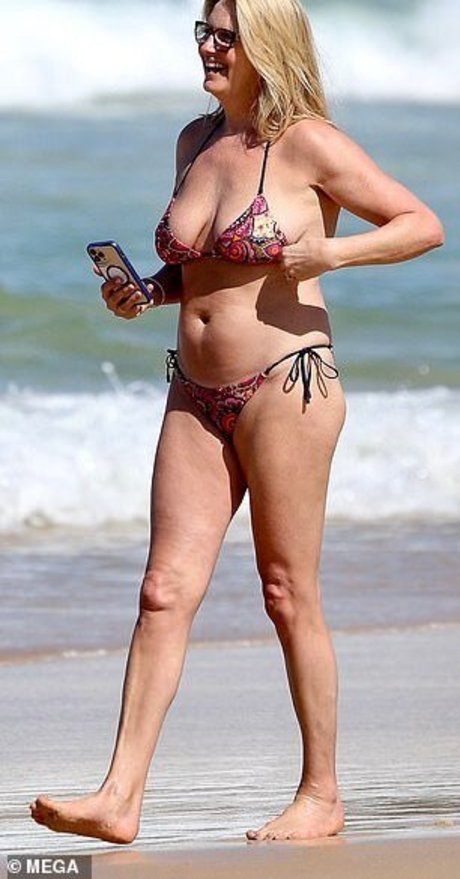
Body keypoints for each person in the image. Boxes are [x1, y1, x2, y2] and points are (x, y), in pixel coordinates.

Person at [30, 0, 444, 844]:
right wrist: (148, 290)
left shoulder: (310, 144)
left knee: (287, 592)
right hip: (195, 391)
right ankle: (119, 796)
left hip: (287, 385)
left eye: (227, 36)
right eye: (204, 33)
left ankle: (322, 794)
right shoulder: (194, 141)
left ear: (267, 47)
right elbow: (205, 270)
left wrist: (332, 253)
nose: (209, 48)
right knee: (162, 590)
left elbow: (421, 225)